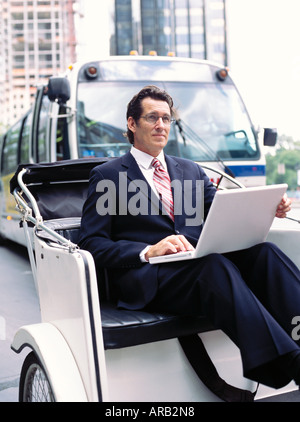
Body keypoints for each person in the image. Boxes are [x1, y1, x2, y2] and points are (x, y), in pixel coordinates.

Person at [79, 85, 300, 391]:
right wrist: (148, 250)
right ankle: (285, 362)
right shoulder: (108, 176)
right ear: (132, 123)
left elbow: (227, 209)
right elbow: (91, 243)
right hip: (151, 278)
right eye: (152, 117)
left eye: (166, 119)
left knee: (266, 253)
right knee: (213, 268)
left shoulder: (190, 170)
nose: (161, 125)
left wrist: (268, 207)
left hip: (195, 267)